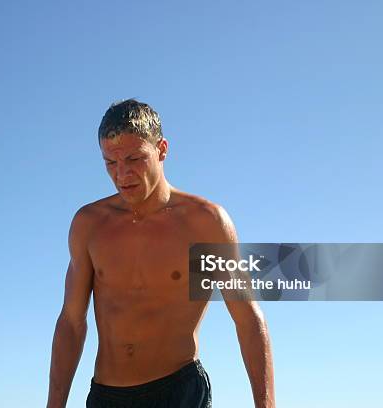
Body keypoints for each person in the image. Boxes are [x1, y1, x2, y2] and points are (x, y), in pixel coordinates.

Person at [46, 99, 275, 408]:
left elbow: (247, 318)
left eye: (134, 158)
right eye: (110, 163)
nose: (122, 173)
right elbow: (71, 322)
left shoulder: (204, 222)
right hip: (108, 395)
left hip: (179, 392)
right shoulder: (89, 224)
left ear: (162, 149)